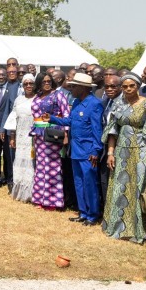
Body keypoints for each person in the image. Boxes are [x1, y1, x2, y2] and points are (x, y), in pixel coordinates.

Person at [102, 72, 146, 243]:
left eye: (132, 86)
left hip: (142, 151)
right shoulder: (118, 104)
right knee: (122, 188)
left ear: (138, 86)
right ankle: (120, 227)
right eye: (125, 86)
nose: (128, 89)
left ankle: (143, 231)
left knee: (141, 189)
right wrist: (110, 153)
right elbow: (112, 131)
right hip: (121, 153)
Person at [49, 73, 103, 224]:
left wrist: (95, 150)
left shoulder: (94, 104)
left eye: (73, 86)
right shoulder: (77, 102)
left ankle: (93, 215)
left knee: (90, 184)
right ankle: (83, 212)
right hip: (76, 150)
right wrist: (51, 118)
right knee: (79, 183)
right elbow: (69, 121)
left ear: (83, 88)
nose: (70, 89)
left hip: (88, 152)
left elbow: (97, 130)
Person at [28, 72, 71, 209]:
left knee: (52, 167)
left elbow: (66, 114)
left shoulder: (58, 95)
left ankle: (52, 201)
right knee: (41, 166)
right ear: (39, 83)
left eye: (49, 81)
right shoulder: (37, 96)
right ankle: (40, 198)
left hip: (53, 135)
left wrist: (66, 134)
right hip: (39, 135)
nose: (47, 84)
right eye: (44, 82)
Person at [5, 74, 36, 202]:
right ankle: (19, 192)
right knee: (19, 163)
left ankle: (31, 193)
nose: (28, 86)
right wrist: (12, 137)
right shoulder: (18, 100)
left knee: (31, 164)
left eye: (31, 83)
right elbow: (13, 119)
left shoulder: (38, 99)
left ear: (34, 84)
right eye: (25, 84)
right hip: (20, 136)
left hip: (33, 137)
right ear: (22, 86)